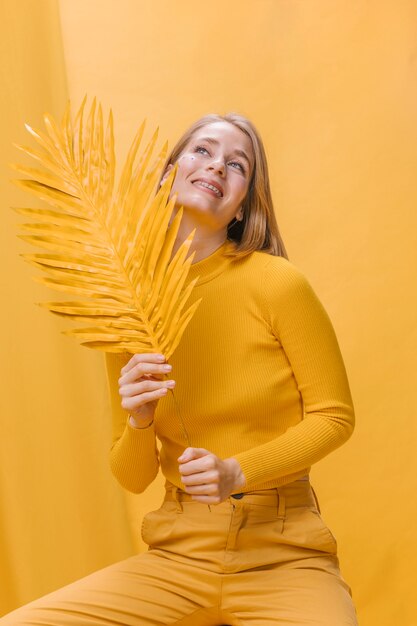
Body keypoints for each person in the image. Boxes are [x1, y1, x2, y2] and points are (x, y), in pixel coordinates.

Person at [2, 113, 358, 625]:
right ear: (169, 174)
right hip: (178, 556)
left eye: (237, 164)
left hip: (285, 554)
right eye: (203, 151)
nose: (216, 166)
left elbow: (334, 417)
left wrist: (236, 471)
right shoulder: (129, 302)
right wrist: (139, 420)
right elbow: (132, 475)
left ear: (242, 205)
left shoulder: (278, 285)